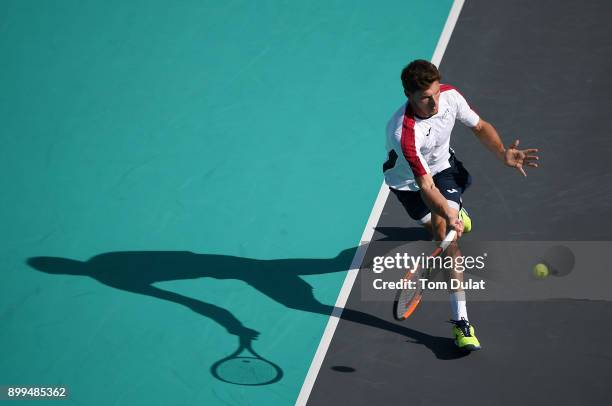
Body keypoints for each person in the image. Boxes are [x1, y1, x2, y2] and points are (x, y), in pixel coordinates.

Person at [383, 59, 539, 350]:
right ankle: (453, 217)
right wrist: (445, 211)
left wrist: (503, 152)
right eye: (425, 98)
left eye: (436, 93)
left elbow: (479, 127)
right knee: (439, 224)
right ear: (409, 97)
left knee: (446, 238)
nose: (434, 103)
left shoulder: (450, 97)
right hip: (409, 185)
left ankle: (461, 322)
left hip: (445, 170)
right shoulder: (404, 134)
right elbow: (425, 186)